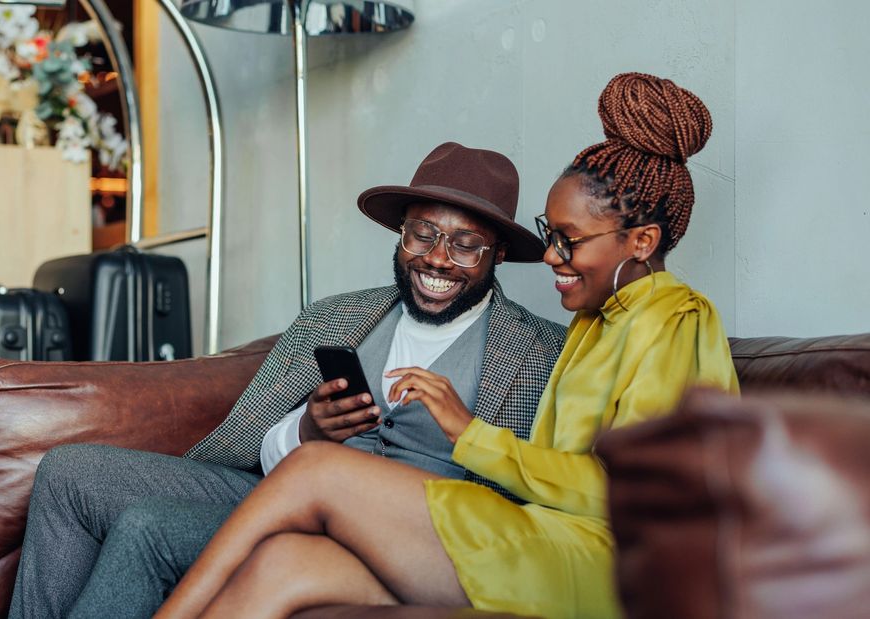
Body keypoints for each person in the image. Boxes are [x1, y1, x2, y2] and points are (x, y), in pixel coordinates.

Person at [154, 72, 740, 619]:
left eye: (569, 240)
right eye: (549, 234)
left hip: (601, 571)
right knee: (283, 563)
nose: (551, 257)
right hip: (541, 539)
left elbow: (635, 500)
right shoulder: (598, 320)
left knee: (315, 469)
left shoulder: (673, 320)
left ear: (642, 241)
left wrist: (469, 434)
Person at [8, 143, 568, 619]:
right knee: (68, 471)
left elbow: (537, 500)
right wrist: (308, 432)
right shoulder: (335, 317)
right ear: (401, 234)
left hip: (410, 537)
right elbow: (244, 446)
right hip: (279, 499)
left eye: (465, 244)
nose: (438, 260)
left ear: (497, 254)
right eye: (422, 234)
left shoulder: (540, 355)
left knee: (148, 527)